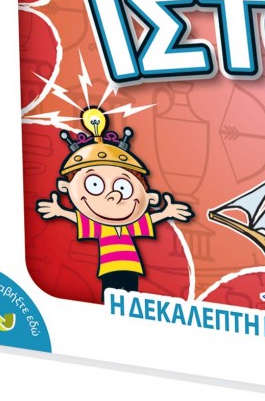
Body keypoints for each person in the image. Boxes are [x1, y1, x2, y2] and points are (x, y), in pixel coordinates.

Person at [36, 107, 193, 297]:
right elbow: (79, 219)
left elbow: (149, 220)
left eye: (123, 187)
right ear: (66, 188)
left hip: (132, 268)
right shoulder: (101, 227)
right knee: (110, 299)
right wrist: (60, 211)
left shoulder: (131, 225)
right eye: (94, 185)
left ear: (148, 197)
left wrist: (166, 213)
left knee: (130, 297)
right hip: (109, 269)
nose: (114, 196)